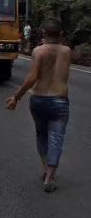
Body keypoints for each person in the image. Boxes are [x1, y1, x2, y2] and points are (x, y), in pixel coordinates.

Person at [5, 18, 71, 192]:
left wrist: (17, 97)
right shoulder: (67, 51)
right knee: (56, 138)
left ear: (43, 32)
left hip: (39, 99)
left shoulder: (38, 51)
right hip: (60, 100)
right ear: (61, 34)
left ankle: (45, 169)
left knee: (42, 135)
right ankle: (50, 176)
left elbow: (32, 78)